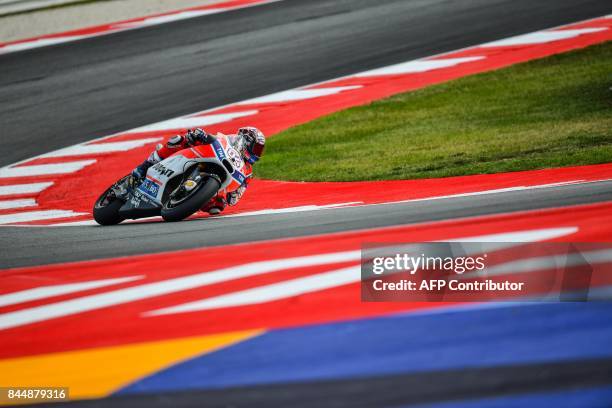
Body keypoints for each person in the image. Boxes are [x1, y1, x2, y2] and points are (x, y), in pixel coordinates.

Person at [130, 127, 265, 215]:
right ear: (246, 140)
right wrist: (199, 135)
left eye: (259, 149)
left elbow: (234, 200)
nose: (257, 153)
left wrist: (235, 193)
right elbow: (211, 138)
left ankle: (186, 198)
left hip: (217, 186)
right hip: (201, 157)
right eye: (256, 148)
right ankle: (144, 167)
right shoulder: (227, 139)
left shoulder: (248, 171)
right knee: (178, 140)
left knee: (218, 206)